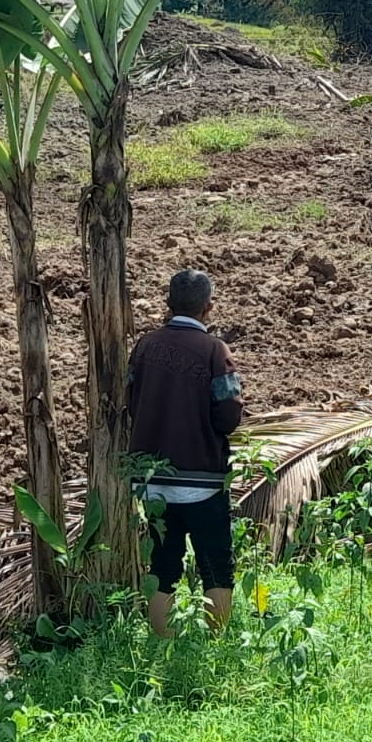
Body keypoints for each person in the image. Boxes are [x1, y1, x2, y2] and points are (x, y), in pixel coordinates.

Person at [127, 268, 244, 636]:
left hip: (154, 483)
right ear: (208, 307)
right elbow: (229, 414)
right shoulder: (215, 351)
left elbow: (131, 401)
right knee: (216, 566)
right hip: (203, 483)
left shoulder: (145, 346)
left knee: (163, 567)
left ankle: (161, 645)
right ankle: (217, 644)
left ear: (168, 304)